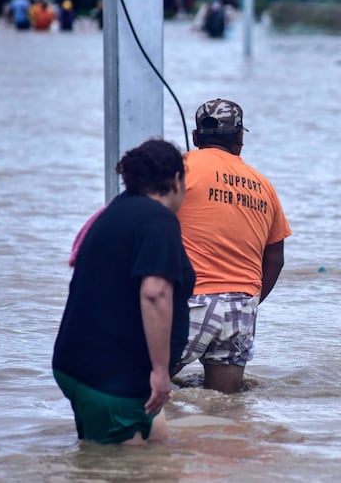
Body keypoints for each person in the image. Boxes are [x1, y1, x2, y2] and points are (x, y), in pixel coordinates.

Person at [52, 139, 196, 444]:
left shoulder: (115, 211)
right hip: (111, 380)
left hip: (83, 364)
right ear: (176, 179)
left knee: (159, 453)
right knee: (122, 472)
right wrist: (160, 372)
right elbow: (155, 293)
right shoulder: (159, 220)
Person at [172, 99, 291, 394]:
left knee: (135, 389)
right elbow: (275, 258)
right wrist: (248, 300)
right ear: (240, 138)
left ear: (196, 137)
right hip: (241, 306)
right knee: (225, 409)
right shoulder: (263, 185)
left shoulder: (180, 168)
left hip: (190, 301)